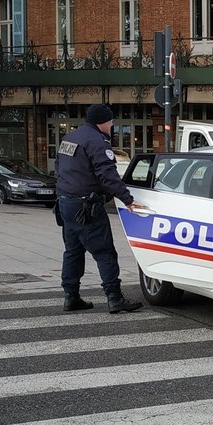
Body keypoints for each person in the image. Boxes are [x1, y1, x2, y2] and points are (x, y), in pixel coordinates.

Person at [54, 103, 145, 313]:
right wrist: (128, 199)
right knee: (104, 252)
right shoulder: (97, 141)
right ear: (101, 122)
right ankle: (114, 297)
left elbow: (60, 167)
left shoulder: (70, 138)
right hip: (86, 205)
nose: (112, 124)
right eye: (110, 120)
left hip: (65, 203)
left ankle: (71, 296)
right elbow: (108, 176)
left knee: (73, 251)